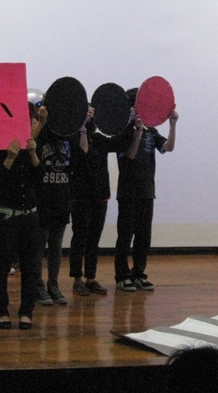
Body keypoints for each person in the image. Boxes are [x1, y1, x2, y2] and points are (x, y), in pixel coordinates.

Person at [0, 102, 42, 330]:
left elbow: (40, 180)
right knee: (2, 264)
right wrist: (9, 158)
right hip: (6, 215)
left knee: (30, 266)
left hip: (30, 215)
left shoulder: (32, 145)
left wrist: (34, 154)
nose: (28, 123)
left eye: (30, 119)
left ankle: (26, 312)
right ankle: (1, 312)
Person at [115, 88, 178, 292]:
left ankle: (139, 274)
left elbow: (168, 147)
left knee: (143, 236)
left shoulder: (152, 131)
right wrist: (137, 132)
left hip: (146, 190)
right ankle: (122, 276)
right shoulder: (123, 131)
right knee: (125, 236)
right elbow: (130, 155)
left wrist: (172, 124)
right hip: (128, 192)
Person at [69, 106, 127, 296]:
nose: (90, 115)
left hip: (100, 196)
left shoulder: (100, 139)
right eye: (86, 112)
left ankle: (90, 278)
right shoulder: (73, 139)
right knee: (80, 238)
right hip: (81, 196)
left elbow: (120, 143)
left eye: (91, 113)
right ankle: (77, 279)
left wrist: (129, 123)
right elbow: (83, 152)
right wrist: (82, 127)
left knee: (94, 239)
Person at [32, 106, 77, 305]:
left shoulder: (68, 138)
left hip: (61, 199)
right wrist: (42, 121)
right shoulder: (41, 136)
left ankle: (53, 284)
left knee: (56, 246)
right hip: (42, 199)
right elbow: (29, 143)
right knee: (39, 246)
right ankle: (37, 285)